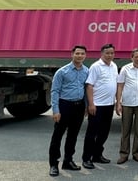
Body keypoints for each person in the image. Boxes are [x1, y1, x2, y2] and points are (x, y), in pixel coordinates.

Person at [48, 45, 89, 177]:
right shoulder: (62, 71)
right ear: (72, 54)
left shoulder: (86, 71)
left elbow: (86, 90)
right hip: (64, 105)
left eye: (82, 54)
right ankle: (54, 164)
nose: (80, 56)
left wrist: (87, 106)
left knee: (73, 135)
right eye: (77, 53)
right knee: (57, 136)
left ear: (85, 56)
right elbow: (55, 91)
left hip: (79, 106)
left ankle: (68, 161)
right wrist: (56, 110)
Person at [82, 43, 118, 170]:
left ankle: (97, 155)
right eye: (107, 53)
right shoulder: (96, 66)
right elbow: (89, 85)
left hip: (109, 105)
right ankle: (86, 158)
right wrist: (91, 104)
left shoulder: (113, 66)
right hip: (97, 105)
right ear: (101, 54)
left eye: (112, 53)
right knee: (92, 133)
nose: (110, 55)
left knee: (104, 132)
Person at [115, 48, 138, 164]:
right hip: (127, 103)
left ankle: (137, 153)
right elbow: (120, 86)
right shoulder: (126, 69)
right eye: (136, 56)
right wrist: (118, 102)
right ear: (131, 57)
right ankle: (124, 154)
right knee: (125, 130)